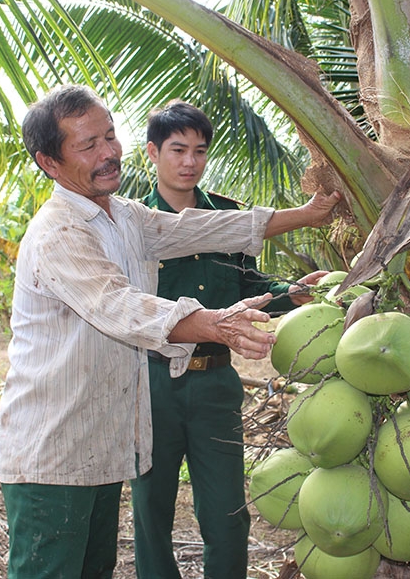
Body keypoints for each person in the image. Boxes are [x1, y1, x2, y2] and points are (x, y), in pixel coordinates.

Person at [0, 84, 340, 579]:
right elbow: (121, 306)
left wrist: (306, 215)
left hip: (99, 443)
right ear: (49, 162)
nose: (109, 152)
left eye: (110, 136)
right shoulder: (60, 232)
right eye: (87, 145)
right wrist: (215, 324)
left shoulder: (123, 216)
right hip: (54, 451)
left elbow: (200, 230)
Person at [131, 100, 329, 579]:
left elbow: (250, 288)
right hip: (152, 383)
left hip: (217, 385)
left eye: (199, 151)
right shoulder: (132, 223)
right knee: (150, 515)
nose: (189, 162)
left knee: (227, 515)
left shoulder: (229, 216)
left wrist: (293, 294)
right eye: (177, 150)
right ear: (152, 154)